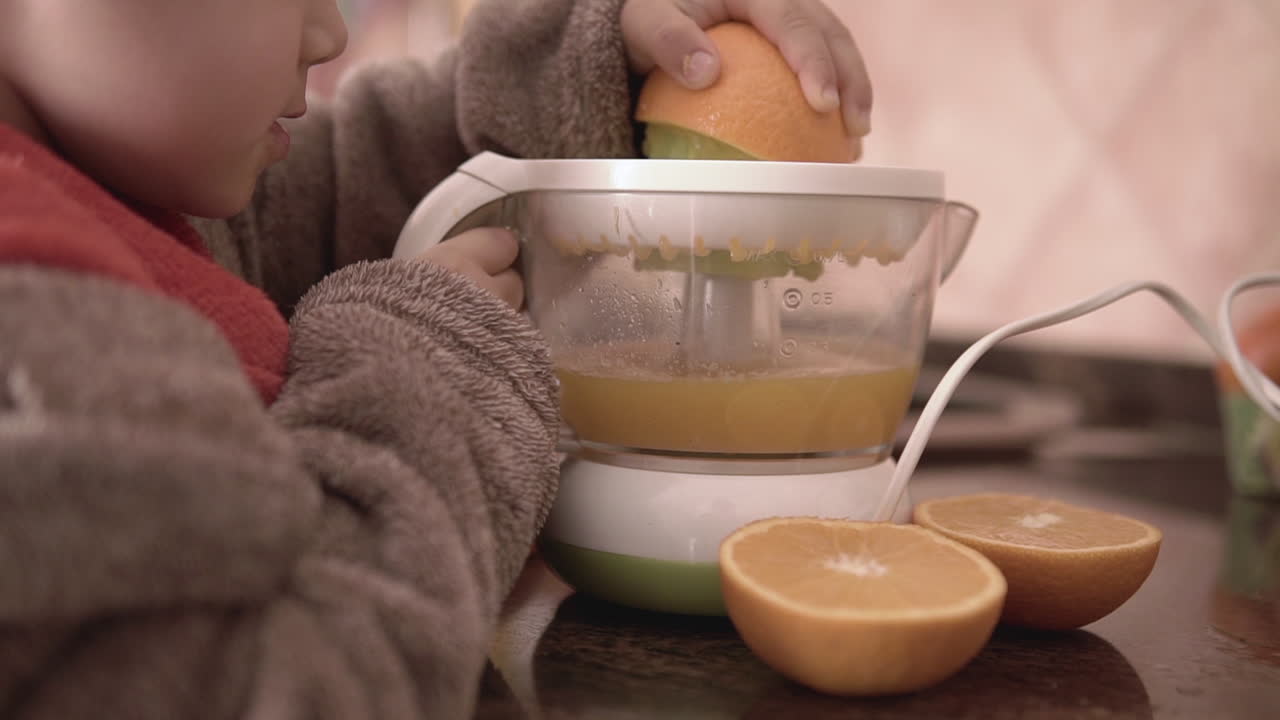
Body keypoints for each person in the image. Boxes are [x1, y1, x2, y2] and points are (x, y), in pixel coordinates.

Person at [0, 0, 870, 716]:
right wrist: (430, 361)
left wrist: (583, 73)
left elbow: (347, 191)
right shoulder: (31, 316)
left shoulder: (109, 189)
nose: (328, 31)